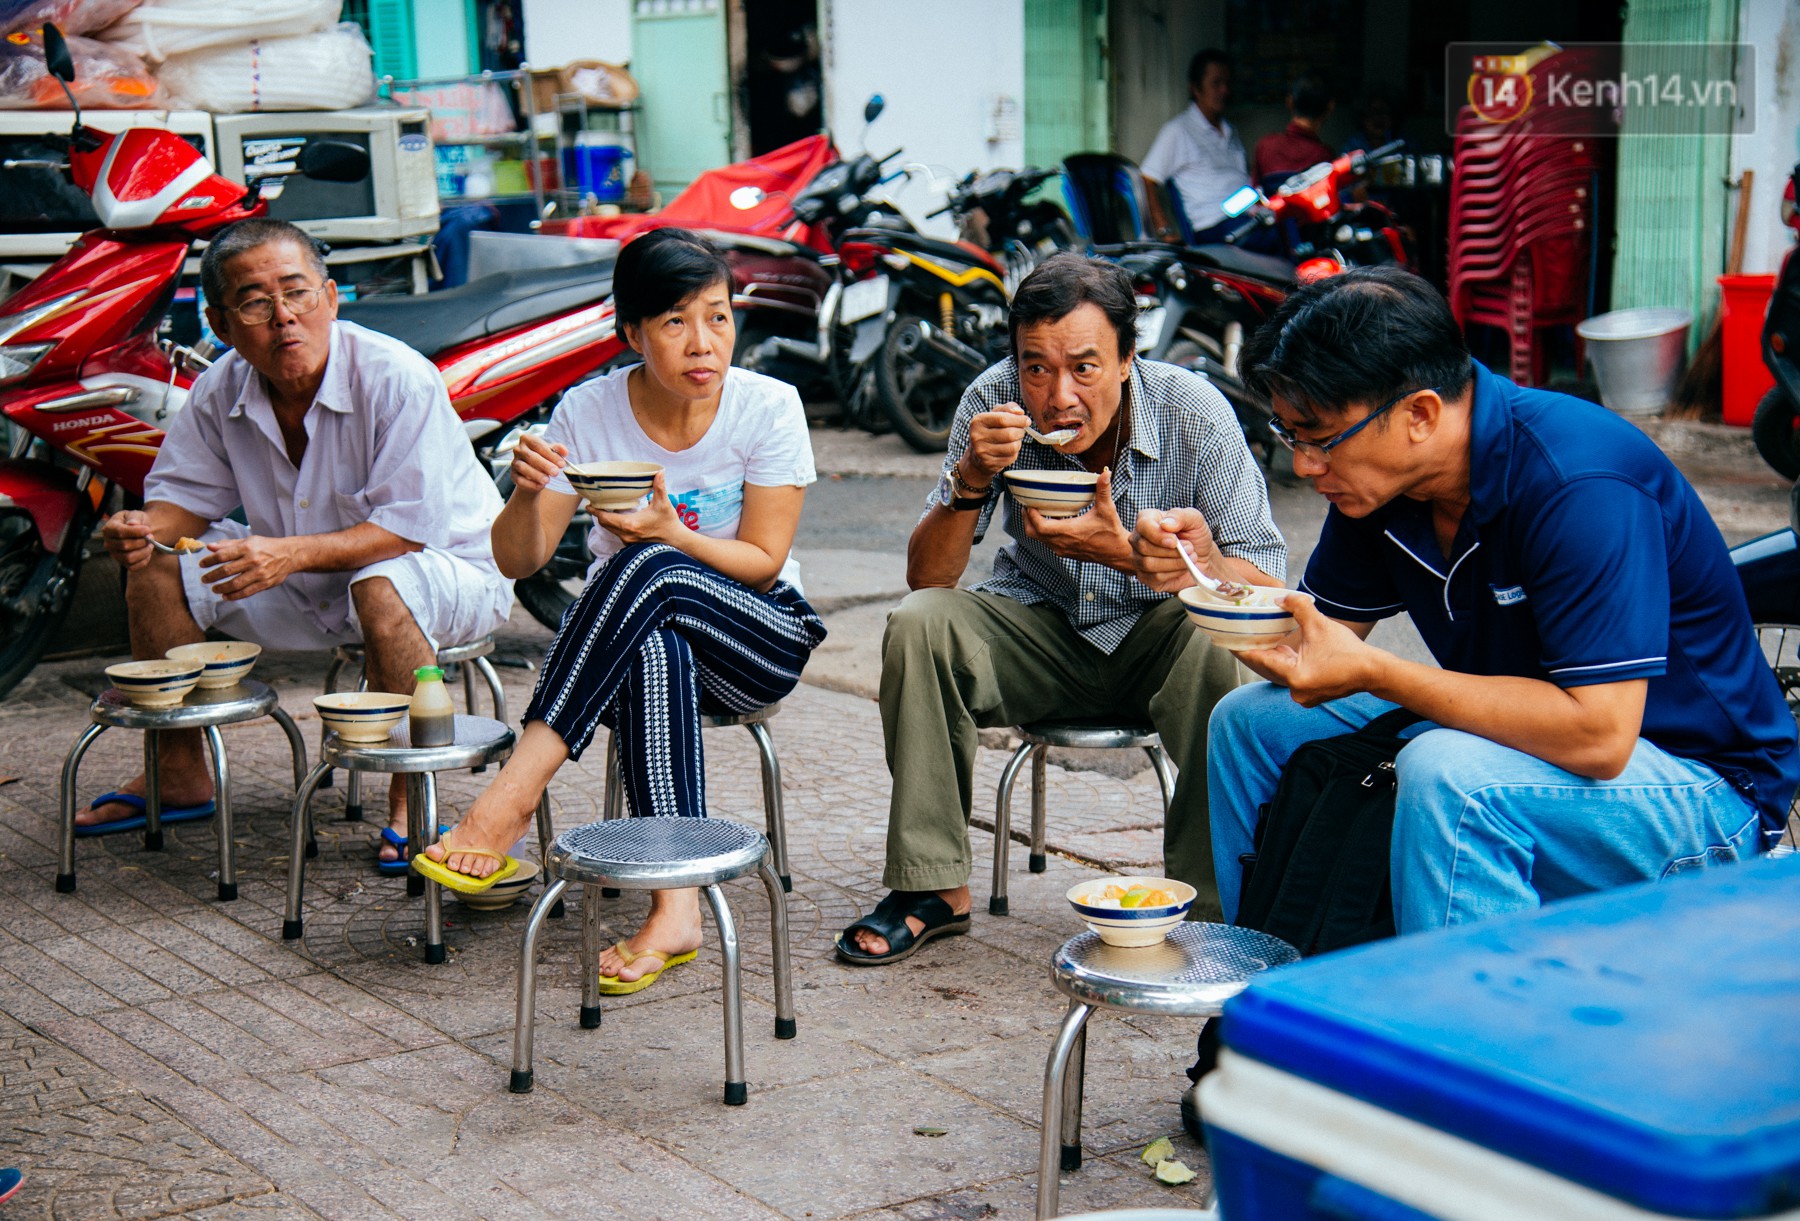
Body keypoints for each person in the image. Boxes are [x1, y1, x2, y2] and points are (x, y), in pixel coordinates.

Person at [1132, 266, 1800, 936]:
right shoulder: (1379, 483)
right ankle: (1271, 994)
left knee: (1450, 775)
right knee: (1251, 721)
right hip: (1522, 745)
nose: (1304, 465)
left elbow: (1600, 737)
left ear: (1419, 414)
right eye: (1290, 435)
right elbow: (1311, 640)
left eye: (1318, 434)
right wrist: (1207, 568)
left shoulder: (1579, 482)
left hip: (1702, 788)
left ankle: (1466, 1029)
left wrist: (1377, 672)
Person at [836, 253, 1285, 966]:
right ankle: (932, 889)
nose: (1056, 395)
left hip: (1161, 638)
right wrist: (970, 480)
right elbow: (929, 578)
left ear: (1129, 358)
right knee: (919, 624)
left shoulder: (1194, 412)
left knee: (1217, 645)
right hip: (1040, 629)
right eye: (1036, 368)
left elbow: (1264, 587)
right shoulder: (991, 402)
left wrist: (1135, 557)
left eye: (1084, 367)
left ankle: (1207, 907)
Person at [419, 228, 826, 993]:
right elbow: (519, 562)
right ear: (632, 332)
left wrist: (670, 533)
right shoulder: (588, 411)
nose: (703, 343)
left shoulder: (769, 406)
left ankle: (513, 794)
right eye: (675, 322)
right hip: (634, 646)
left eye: (717, 316)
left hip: (760, 634)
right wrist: (528, 491)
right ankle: (675, 907)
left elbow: (765, 560)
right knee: (651, 648)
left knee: (645, 562)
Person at [88, 218, 512, 873]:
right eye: (256, 302)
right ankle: (179, 774)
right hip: (306, 575)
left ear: (332, 298)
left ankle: (411, 799)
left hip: (446, 572)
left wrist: (285, 554)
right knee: (156, 568)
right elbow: (177, 506)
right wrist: (141, 530)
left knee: (383, 580)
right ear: (221, 324)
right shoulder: (218, 389)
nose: (284, 316)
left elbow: (402, 531)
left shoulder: (397, 377)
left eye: (298, 292)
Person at [1142, 49, 1251, 244]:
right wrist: (1165, 231)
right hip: (1216, 226)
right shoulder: (1178, 130)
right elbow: (1147, 181)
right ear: (1195, 88)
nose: (1225, 90)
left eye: (1227, 83)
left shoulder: (1230, 131)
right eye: (1216, 83)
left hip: (1249, 217)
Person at [1251, 73, 1335, 187]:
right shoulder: (1325, 158)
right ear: (1330, 108)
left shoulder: (1265, 145)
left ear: (1289, 102)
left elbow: (1255, 193)